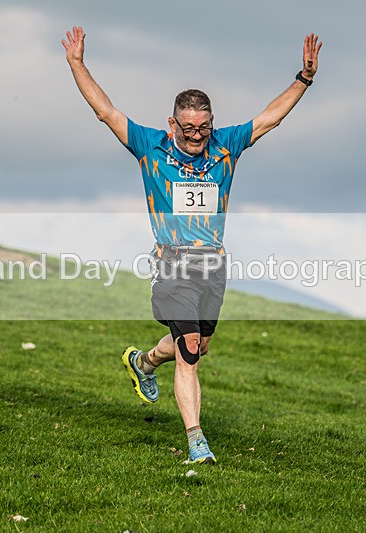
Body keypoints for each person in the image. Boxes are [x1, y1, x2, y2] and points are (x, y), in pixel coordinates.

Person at [62, 26, 321, 465]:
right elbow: (106, 111)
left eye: (203, 127)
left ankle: (143, 362)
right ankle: (196, 442)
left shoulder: (226, 147)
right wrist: (76, 64)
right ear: (173, 124)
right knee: (189, 354)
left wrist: (304, 78)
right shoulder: (151, 147)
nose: (196, 135)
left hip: (212, 268)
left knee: (194, 344)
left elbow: (270, 116)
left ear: (211, 124)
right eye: (188, 128)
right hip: (172, 265)